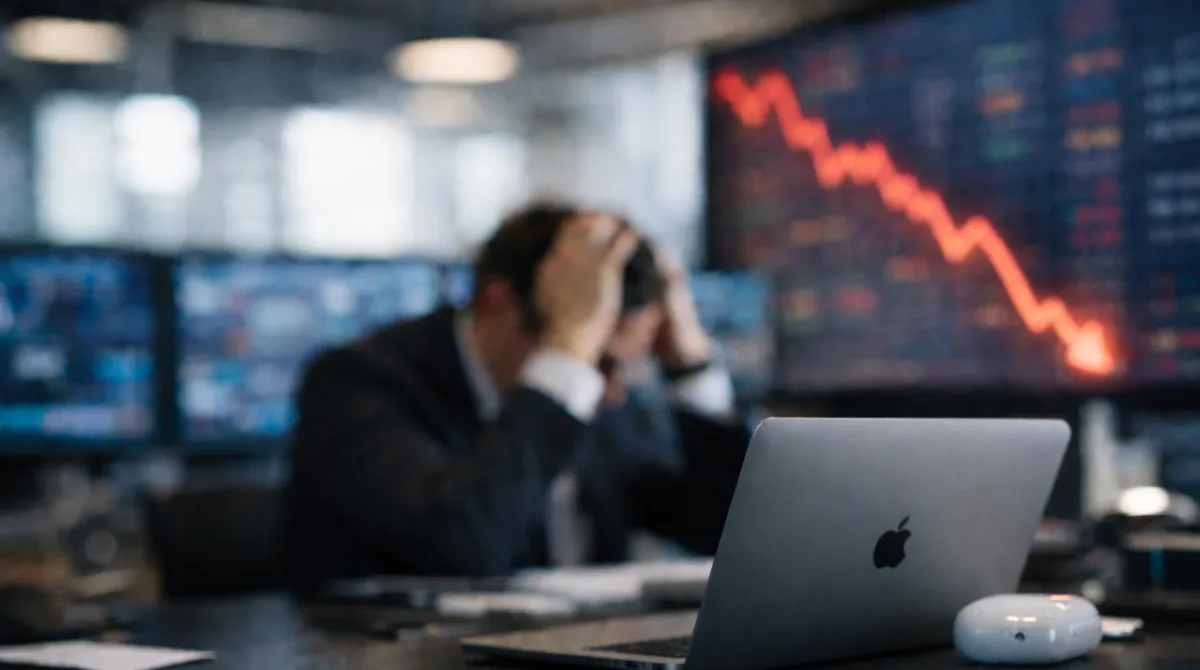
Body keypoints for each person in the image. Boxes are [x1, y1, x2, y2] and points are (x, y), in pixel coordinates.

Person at [280, 203, 752, 587]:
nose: (610, 393)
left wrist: (690, 367)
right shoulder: (358, 382)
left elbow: (723, 533)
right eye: (596, 360)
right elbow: (459, 546)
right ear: (498, 303)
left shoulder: (604, 397)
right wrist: (567, 356)